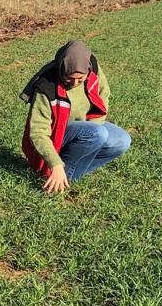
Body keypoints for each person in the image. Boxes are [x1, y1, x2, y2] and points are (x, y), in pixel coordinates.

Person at [20, 39, 131, 194]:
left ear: (88, 70)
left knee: (121, 141)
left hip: (87, 129)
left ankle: (67, 176)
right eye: (69, 78)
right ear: (61, 69)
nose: (74, 83)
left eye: (80, 78)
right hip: (56, 134)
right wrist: (55, 164)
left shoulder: (93, 68)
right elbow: (37, 132)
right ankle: (57, 174)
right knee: (97, 134)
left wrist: (93, 124)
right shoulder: (46, 87)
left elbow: (104, 94)